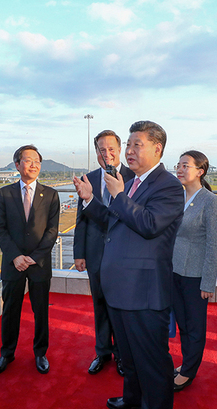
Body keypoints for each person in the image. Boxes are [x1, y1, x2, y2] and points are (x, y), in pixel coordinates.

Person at [73, 121, 184, 409]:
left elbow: (149, 225)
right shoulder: (132, 182)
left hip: (144, 291)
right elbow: (113, 221)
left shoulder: (167, 185)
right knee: (130, 355)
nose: (130, 151)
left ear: (157, 149)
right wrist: (90, 200)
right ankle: (133, 398)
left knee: (151, 361)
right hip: (119, 288)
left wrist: (118, 194)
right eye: (130, 145)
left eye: (137, 145)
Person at [0, 145, 60, 376]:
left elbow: (52, 231)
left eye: (37, 161)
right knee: (10, 310)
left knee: (41, 311)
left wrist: (33, 258)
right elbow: (0, 229)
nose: (34, 165)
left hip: (38, 263)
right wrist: (15, 257)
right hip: (13, 263)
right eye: (28, 161)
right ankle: (7, 354)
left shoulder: (51, 194)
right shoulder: (5, 193)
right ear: (17, 165)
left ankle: (40, 353)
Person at [73, 129, 135, 375]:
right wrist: (79, 253)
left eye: (111, 149)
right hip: (96, 253)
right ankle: (102, 353)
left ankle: (122, 354)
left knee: (120, 307)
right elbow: (82, 220)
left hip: (123, 255)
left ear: (120, 150)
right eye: (101, 149)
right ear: (96, 152)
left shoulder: (134, 177)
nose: (106, 154)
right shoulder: (88, 178)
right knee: (99, 304)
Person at [171, 150, 217, 391]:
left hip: (195, 276)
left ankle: (189, 371)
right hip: (173, 272)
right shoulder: (177, 197)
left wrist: (208, 283)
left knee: (194, 326)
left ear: (200, 171)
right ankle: (186, 363)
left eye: (185, 166)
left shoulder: (211, 201)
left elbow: (214, 244)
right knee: (182, 323)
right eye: (178, 165)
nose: (180, 170)